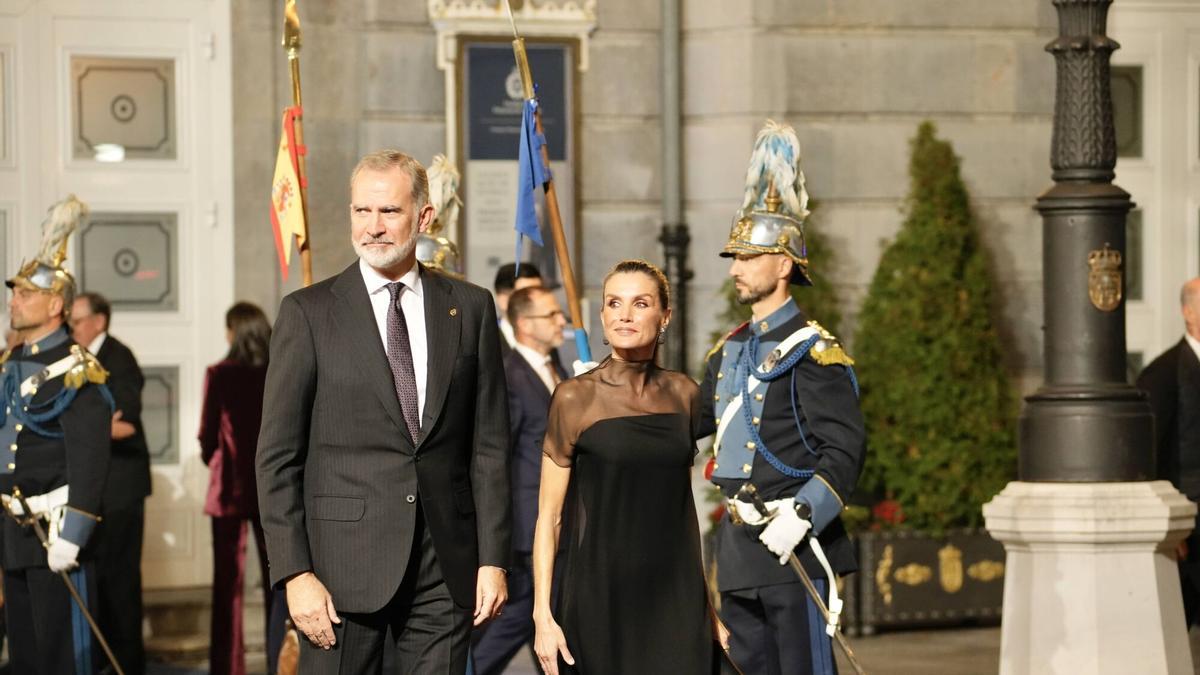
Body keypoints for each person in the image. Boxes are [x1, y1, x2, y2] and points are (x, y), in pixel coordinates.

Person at [256, 149, 511, 674]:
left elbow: (488, 448)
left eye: (388, 212)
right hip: (338, 576)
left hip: (444, 569)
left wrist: (492, 558)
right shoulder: (308, 313)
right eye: (361, 212)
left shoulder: (470, 307)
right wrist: (294, 574)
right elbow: (277, 458)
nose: (372, 227)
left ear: (424, 216)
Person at [697, 121, 866, 675]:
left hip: (793, 546)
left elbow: (844, 453)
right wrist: (610, 390)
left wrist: (803, 512)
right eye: (736, 257)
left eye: (750, 256)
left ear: (785, 264)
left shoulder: (816, 353)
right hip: (739, 551)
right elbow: (692, 423)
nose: (737, 268)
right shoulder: (730, 350)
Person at [533, 259, 731, 675]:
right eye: (613, 303)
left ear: (665, 316)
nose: (624, 314)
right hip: (601, 594)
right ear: (602, 317)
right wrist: (542, 616)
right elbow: (549, 517)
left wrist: (705, 603)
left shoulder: (685, 395)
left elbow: (683, 509)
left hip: (675, 595)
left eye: (640, 303)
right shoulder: (574, 399)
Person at [0, 195, 113, 674]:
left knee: (63, 657)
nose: (13, 301)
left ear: (55, 304)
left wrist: (75, 532)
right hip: (13, 529)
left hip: (54, 534)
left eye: (24, 294)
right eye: (14, 293)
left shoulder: (76, 370)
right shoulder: (11, 363)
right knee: (24, 655)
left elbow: (91, 458)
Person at [472, 286, 568, 675]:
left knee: (544, 623)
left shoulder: (554, 367)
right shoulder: (510, 376)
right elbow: (499, 456)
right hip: (528, 526)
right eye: (551, 315)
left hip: (554, 518)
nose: (561, 321)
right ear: (525, 324)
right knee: (519, 617)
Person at [70, 291, 151, 675]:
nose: (72, 328)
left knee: (120, 585)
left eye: (77, 321)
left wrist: (81, 426)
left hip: (121, 490)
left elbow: (126, 424)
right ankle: (103, 662)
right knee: (98, 582)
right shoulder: (80, 358)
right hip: (97, 489)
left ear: (99, 321)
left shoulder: (118, 358)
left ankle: (128, 666)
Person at [199, 302, 276, 675]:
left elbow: (207, 439)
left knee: (228, 586)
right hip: (274, 491)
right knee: (280, 578)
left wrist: (216, 458)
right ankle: (282, 657)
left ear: (235, 331)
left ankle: (227, 666)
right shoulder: (278, 370)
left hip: (230, 489)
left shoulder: (219, 374)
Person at [1137, 277, 1200, 626]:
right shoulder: (1163, 374)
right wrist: (1168, 525)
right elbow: (1149, 452)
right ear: (1187, 312)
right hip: (1190, 527)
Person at [493, 262, 544, 356]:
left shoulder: (545, 339)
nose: (537, 302)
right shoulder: (488, 343)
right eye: (525, 296)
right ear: (503, 301)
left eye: (541, 294)